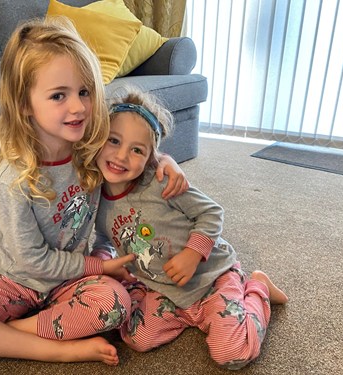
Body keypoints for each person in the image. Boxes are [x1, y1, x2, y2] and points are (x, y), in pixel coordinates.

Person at [0, 18, 187, 366]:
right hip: (15, 281)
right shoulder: (10, 180)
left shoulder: (92, 148)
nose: (78, 107)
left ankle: (4, 333)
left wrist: (165, 160)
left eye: (84, 91)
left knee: (115, 304)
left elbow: (135, 140)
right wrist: (96, 267)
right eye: (59, 95)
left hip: (70, 280)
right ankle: (57, 348)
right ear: (24, 103)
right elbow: (32, 260)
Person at [93, 87, 288, 370]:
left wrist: (193, 253)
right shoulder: (95, 198)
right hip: (166, 290)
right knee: (136, 337)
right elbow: (104, 237)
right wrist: (103, 259)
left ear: (151, 157)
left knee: (232, 354)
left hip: (211, 277)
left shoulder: (162, 182)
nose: (122, 156)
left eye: (137, 149)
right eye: (113, 140)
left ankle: (257, 286)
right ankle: (196, 316)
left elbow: (211, 213)